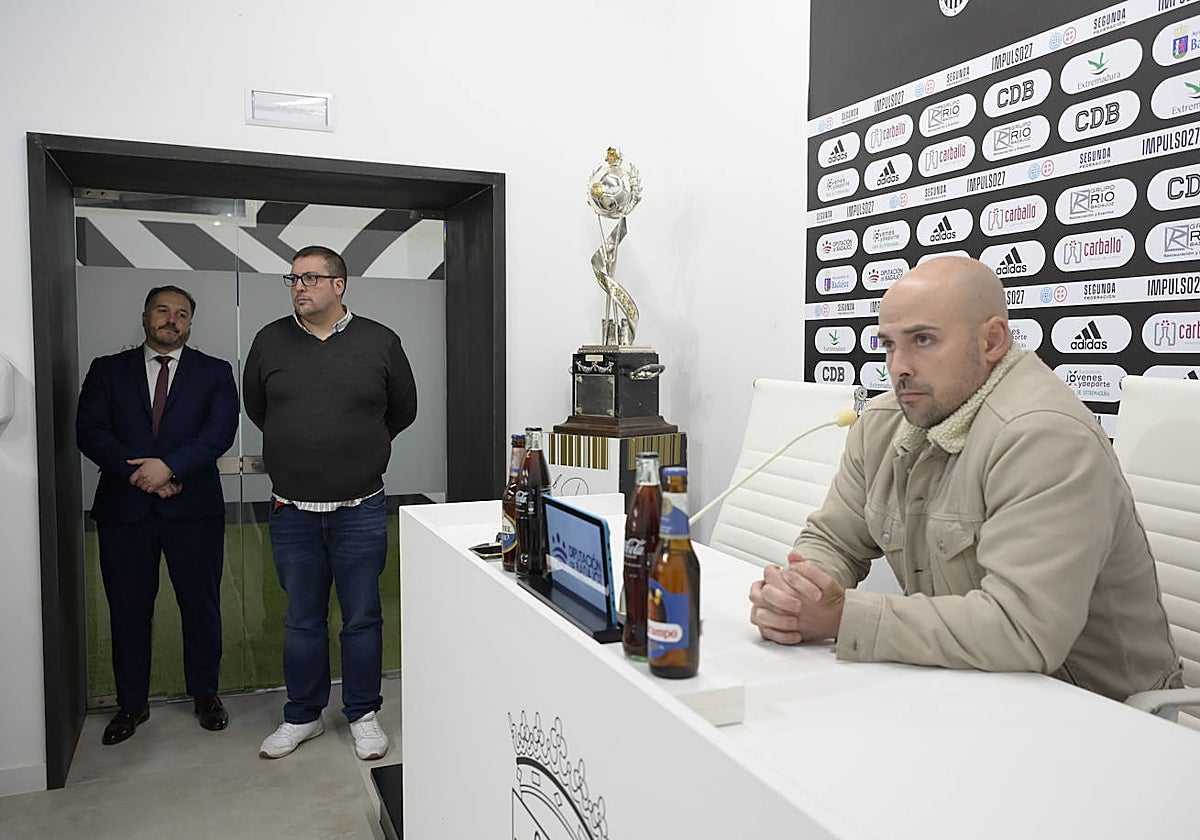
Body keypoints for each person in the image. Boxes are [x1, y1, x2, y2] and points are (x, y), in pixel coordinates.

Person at [748, 256, 1182, 701]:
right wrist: (799, 593)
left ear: (992, 340)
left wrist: (842, 619)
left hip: (1098, 707)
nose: (899, 366)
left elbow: (1022, 629)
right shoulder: (883, 422)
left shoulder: (1044, 434)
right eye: (889, 345)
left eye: (922, 340)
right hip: (967, 686)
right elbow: (834, 538)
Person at [244, 245, 417, 760]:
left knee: (362, 615)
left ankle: (364, 714)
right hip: (292, 508)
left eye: (310, 278)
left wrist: (355, 447)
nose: (299, 286)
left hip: (360, 507)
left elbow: (402, 411)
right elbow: (258, 408)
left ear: (339, 285)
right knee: (302, 618)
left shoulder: (380, 341)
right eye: (293, 279)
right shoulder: (270, 341)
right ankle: (303, 715)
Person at [76, 285, 239, 745]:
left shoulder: (215, 372)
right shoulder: (107, 371)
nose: (172, 319)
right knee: (128, 610)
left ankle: (205, 694)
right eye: (163, 311)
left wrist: (170, 467)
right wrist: (142, 474)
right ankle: (132, 704)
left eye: (182, 314)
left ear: (191, 323)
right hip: (126, 512)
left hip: (193, 511)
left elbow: (219, 432)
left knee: (201, 607)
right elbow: (89, 430)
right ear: (145, 316)